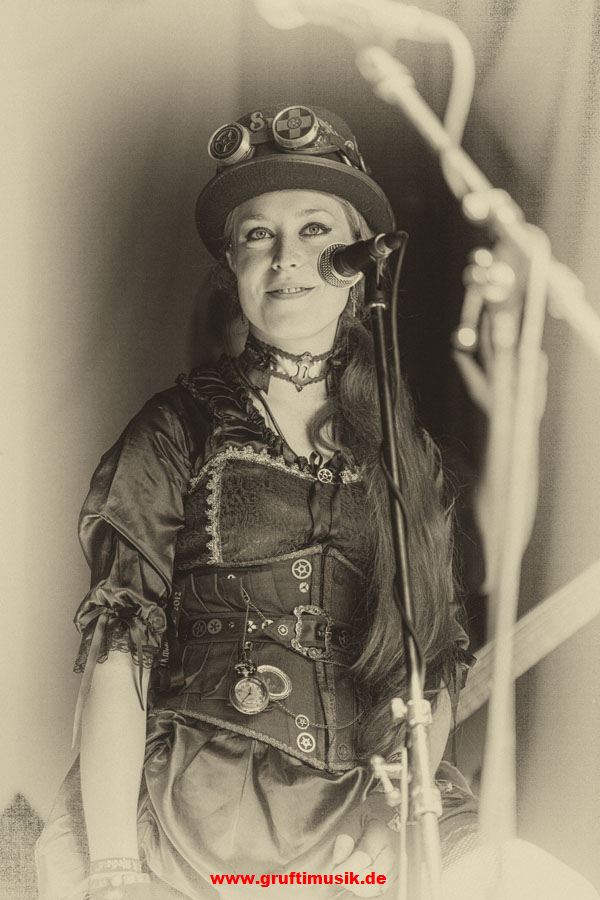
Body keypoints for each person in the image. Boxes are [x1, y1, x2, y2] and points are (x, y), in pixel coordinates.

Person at [36, 104, 478, 900]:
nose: (285, 259)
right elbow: (118, 650)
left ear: (360, 263)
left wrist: (383, 837)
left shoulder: (407, 456)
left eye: (314, 230)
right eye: (257, 236)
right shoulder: (175, 431)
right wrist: (112, 868)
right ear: (232, 264)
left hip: (374, 809)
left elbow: (432, 671)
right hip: (199, 806)